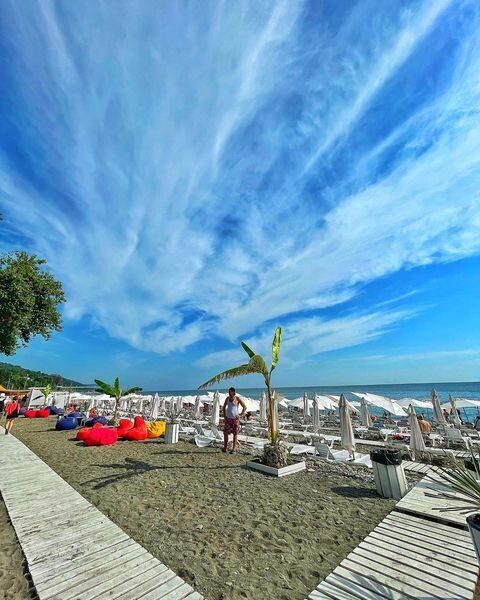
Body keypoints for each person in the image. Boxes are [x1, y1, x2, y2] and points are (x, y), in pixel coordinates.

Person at [222, 387, 246, 454]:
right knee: (225, 433)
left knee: (235, 434)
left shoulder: (237, 398)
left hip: (235, 419)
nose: (229, 393)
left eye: (230, 392)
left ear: (233, 392)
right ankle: (225, 447)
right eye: (229, 392)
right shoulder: (227, 398)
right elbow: (224, 407)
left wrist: (240, 415)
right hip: (228, 419)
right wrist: (224, 416)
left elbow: (244, 407)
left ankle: (234, 448)